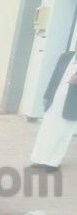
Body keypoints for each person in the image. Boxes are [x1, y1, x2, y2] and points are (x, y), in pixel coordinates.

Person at [30, 41, 77, 171]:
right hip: (55, 99)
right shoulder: (66, 56)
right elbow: (55, 76)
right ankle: (39, 159)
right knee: (46, 130)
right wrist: (47, 95)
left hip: (72, 105)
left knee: (63, 134)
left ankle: (53, 163)